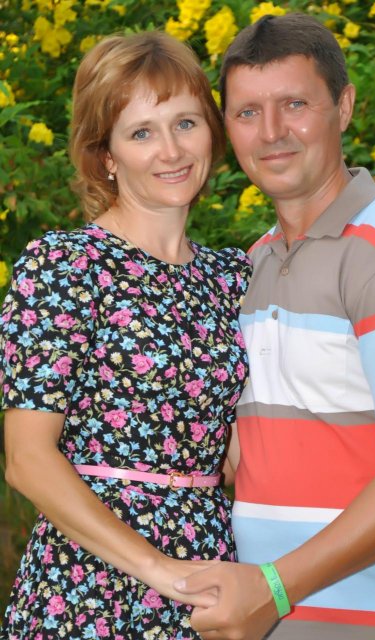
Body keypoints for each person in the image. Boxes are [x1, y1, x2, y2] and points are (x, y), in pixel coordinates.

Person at [174, 13, 375, 640]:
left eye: (295, 104)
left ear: (343, 106)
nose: (272, 132)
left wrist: (275, 586)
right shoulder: (254, 265)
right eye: (248, 112)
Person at [0, 30, 251, 639]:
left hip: (212, 574)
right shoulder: (64, 266)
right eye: (141, 132)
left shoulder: (235, 277)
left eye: (186, 123)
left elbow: (244, 449)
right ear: (106, 155)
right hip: (91, 584)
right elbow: (27, 460)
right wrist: (158, 569)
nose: (171, 150)